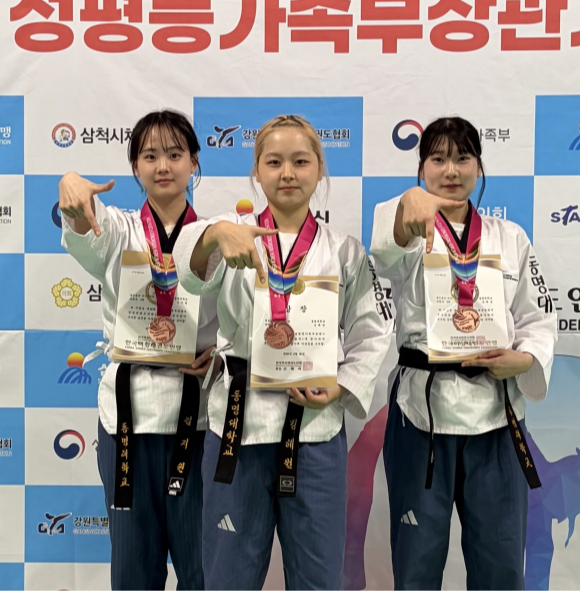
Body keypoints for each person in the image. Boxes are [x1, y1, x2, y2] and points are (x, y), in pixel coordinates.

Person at [172, 114, 392, 591]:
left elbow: (374, 328)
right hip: (238, 425)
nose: (287, 173)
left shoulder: (345, 251)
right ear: (257, 171)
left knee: (318, 579)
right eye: (273, 162)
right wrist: (213, 234)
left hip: (315, 428)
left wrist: (344, 384)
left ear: (319, 169)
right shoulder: (234, 235)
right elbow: (188, 273)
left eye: (300, 161)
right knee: (227, 577)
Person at [370, 116, 557, 591]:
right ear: (421, 169)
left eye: (462, 157)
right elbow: (383, 252)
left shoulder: (509, 237)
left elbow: (537, 319)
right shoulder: (409, 227)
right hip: (421, 413)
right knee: (415, 565)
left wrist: (525, 360)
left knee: (501, 567)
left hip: (496, 413)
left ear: (479, 166)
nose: (451, 170)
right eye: (437, 159)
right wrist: (406, 204)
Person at [59, 109, 217, 591]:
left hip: (198, 417)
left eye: (174, 154)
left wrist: (220, 357)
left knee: (203, 569)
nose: (163, 165)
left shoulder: (214, 236)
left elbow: (239, 315)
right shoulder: (119, 229)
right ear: (134, 167)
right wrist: (70, 187)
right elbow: (84, 228)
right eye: (150, 156)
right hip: (127, 418)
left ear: (194, 162)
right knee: (132, 570)